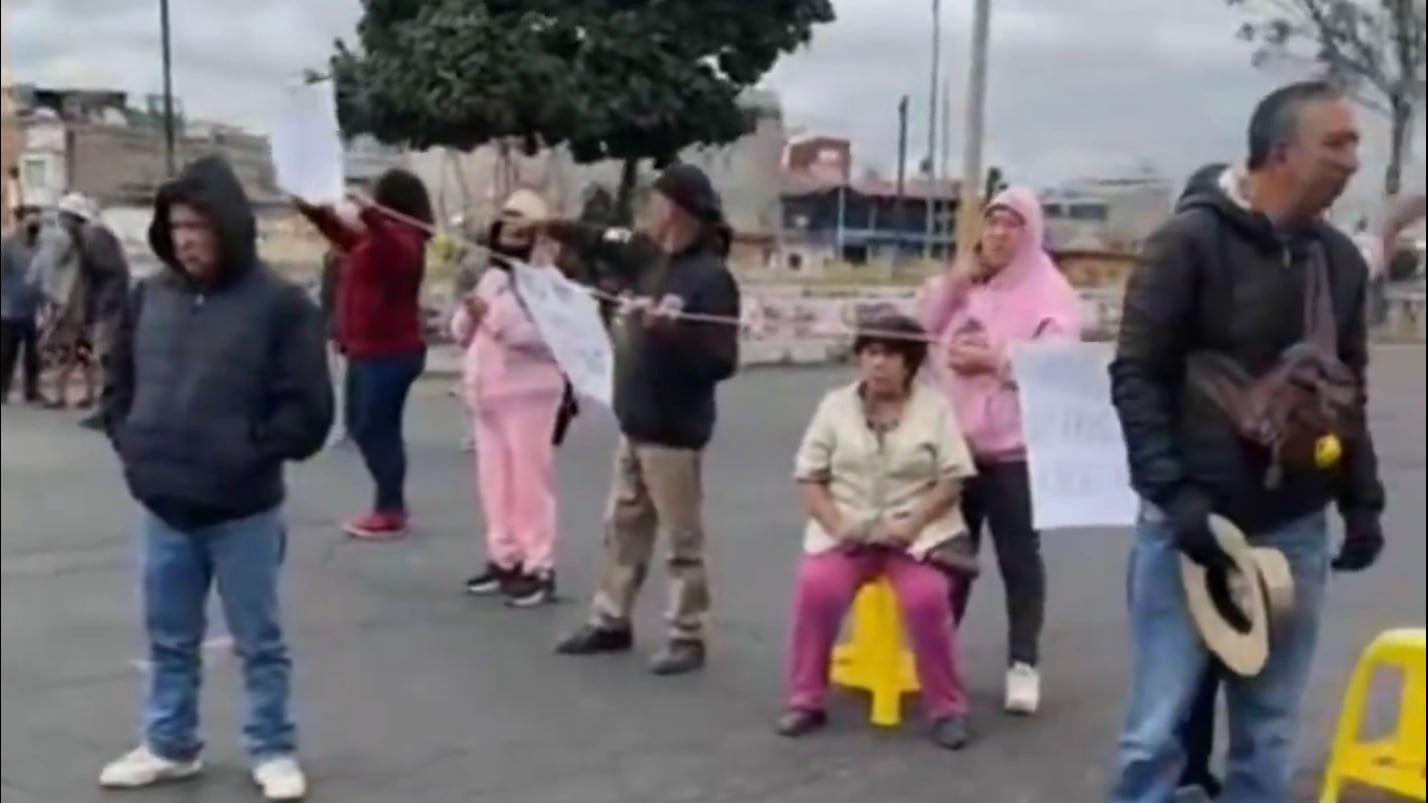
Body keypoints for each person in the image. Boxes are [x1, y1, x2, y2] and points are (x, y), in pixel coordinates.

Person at [1108, 81, 1386, 803]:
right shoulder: (1187, 243)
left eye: (1355, 144)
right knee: (1156, 733)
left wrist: (1362, 504)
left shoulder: (1340, 263)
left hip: (1293, 530)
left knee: (1269, 733)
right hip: (1189, 527)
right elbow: (1137, 376)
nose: (1354, 160)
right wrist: (1175, 494)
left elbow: (1347, 388)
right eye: (1338, 144)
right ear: (1278, 152)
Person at [96, 155, 333, 800]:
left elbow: (308, 409)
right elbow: (119, 384)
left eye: (198, 225)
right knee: (169, 636)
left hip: (243, 509)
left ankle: (273, 746)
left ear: (228, 226)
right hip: (163, 501)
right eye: (176, 226)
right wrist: (135, 445)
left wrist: (249, 452)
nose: (186, 239)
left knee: (259, 638)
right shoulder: (153, 296)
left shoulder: (279, 305)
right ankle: (170, 743)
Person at [546, 163, 742, 676]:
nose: (646, 211)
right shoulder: (650, 260)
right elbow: (600, 240)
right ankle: (611, 619)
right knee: (622, 530)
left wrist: (671, 331)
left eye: (654, 202)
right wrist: (549, 227)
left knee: (682, 539)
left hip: (675, 432)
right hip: (635, 422)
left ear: (675, 209)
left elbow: (722, 360)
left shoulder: (711, 279)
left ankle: (687, 633)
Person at [916, 185, 1082, 716]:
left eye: (1012, 224)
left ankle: (1023, 664)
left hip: (1015, 454)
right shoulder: (967, 286)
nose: (999, 233)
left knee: (1018, 562)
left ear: (1030, 234)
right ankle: (937, 660)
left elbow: (1061, 362)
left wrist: (996, 361)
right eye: (992, 222)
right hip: (956, 452)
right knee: (948, 559)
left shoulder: (1051, 294)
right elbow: (916, 331)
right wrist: (952, 284)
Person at [778, 312, 976, 749]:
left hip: (915, 535)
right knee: (816, 588)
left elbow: (952, 478)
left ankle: (947, 708)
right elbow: (808, 475)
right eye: (870, 353)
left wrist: (914, 523)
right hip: (847, 529)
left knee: (927, 600)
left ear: (911, 362)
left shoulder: (935, 409)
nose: (879, 364)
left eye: (890, 355)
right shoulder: (834, 406)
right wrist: (836, 524)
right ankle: (805, 699)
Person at [296, 170, 433, 540]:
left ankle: (390, 508)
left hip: (391, 351)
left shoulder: (406, 239)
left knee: (378, 430)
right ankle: (388, 504)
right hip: (366, 349)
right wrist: (314, 211)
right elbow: (345, 238)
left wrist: (370, 212)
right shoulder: (372, 241)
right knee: (362, 427)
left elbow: (393, 253)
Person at [454, 189, 571, 607]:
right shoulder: (493, 277)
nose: (511, 233)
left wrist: (497, 320)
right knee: (495, 482)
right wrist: (468, 314)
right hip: (488, 395)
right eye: (506, 223)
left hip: (531, 395)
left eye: (522, 226)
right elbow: (461, 331)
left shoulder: (549, 284)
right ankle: (504, 556)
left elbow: (550, 339)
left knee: (530, 483)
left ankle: (538, 564)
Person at [1, 205, 44, 404]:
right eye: (30, 220)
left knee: (33, 353)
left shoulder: (41, 246)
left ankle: (32, 390)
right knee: (6, 352)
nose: (34, 225)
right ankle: (3, 389)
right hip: (9, 307)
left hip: (34, 308)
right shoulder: (7, 245)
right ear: (20, 222)